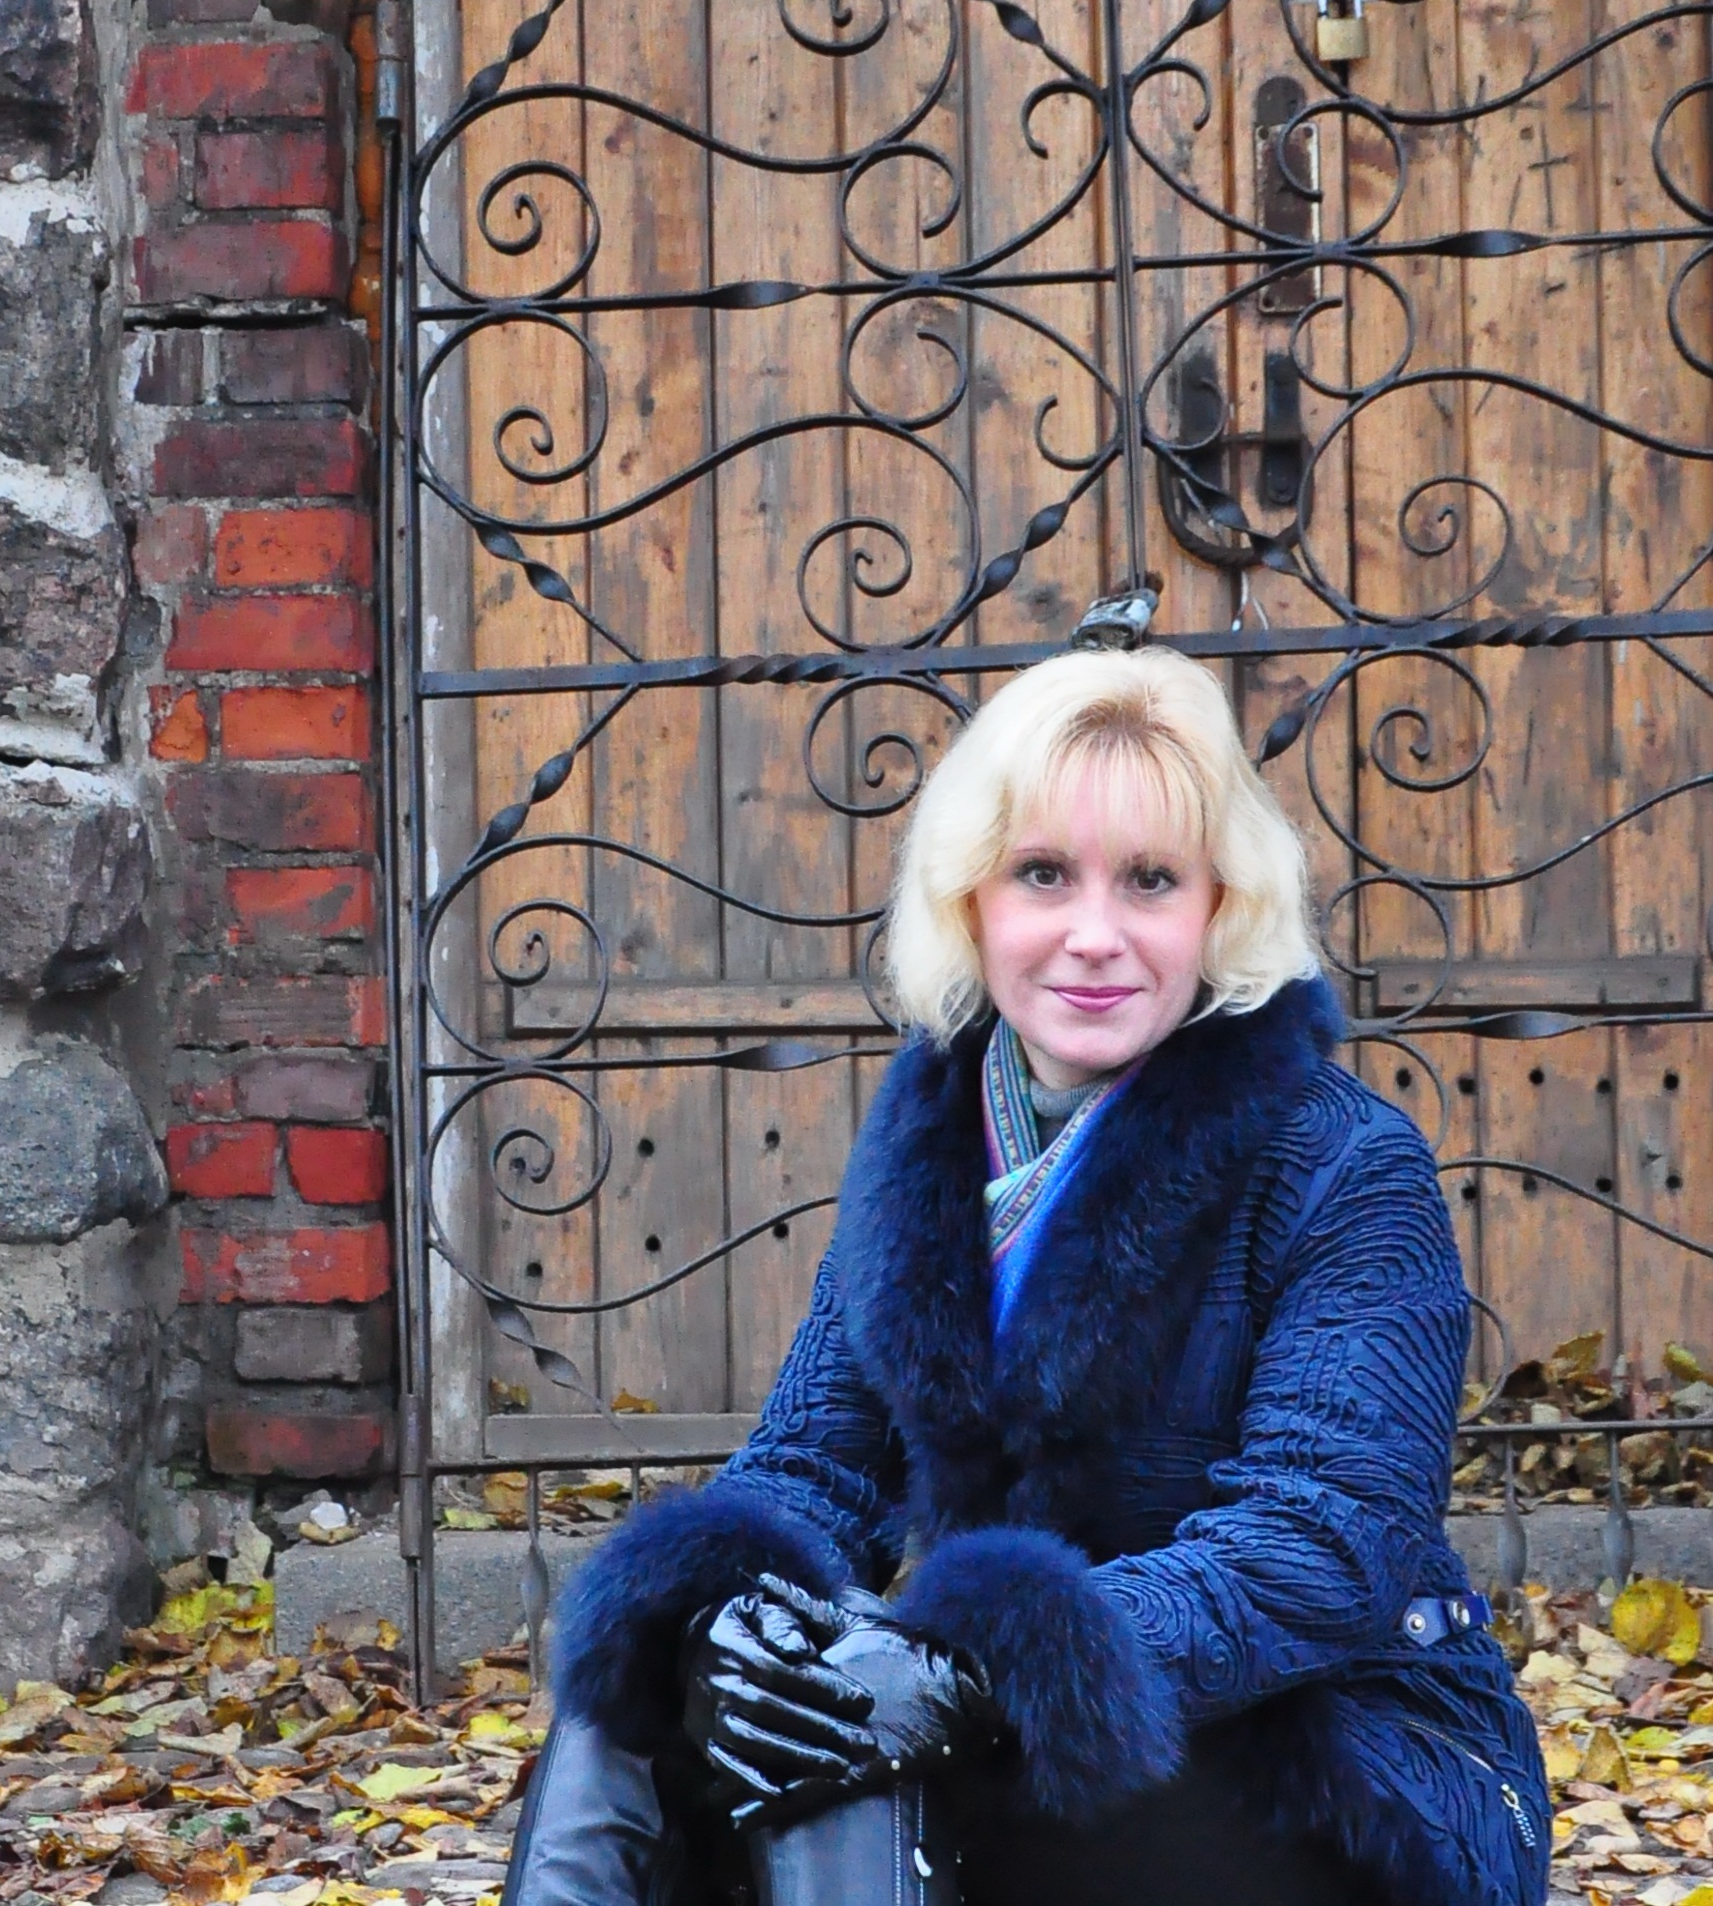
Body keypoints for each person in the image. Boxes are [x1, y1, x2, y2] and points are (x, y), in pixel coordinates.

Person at [500, 643, 1550, 1906]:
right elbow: (813, 1463)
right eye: (1044, 874)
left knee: (854, 1737)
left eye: (1150, 879)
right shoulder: (931, 1140)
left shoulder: (1342, 1159)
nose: (1094, 936)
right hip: (1035, 1748)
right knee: (654, 1683)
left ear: (1219, 907)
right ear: (973, 901)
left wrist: (972, 1666)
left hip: (1331, 1762)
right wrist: (730, 1625)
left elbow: (1323, 1544)